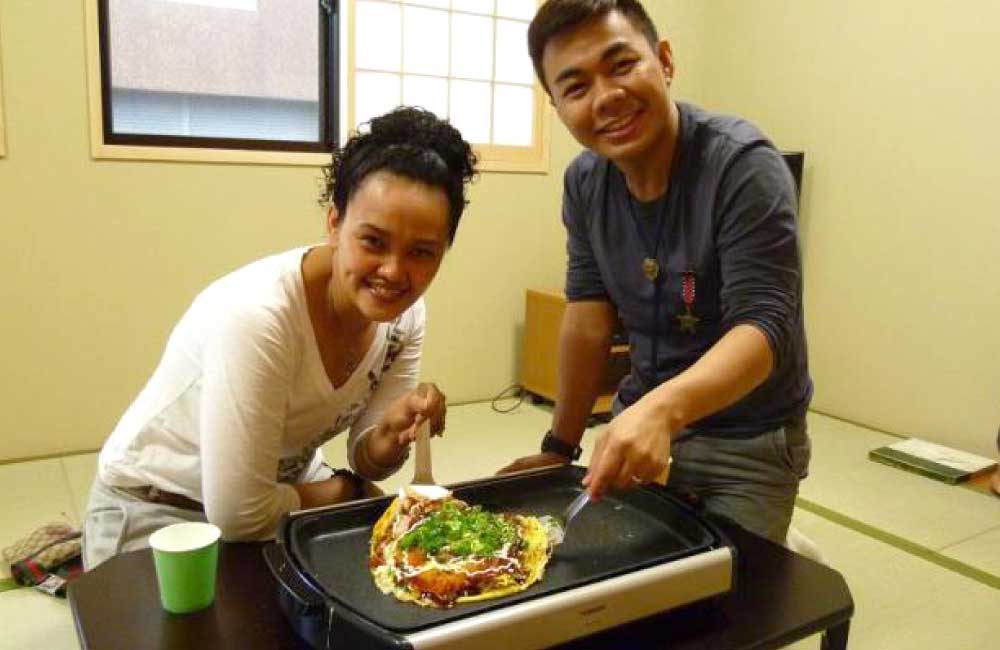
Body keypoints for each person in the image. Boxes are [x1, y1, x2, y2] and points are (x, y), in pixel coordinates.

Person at [82, 107, 478, 569]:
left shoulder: (404, 317)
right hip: (162, 507)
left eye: (421, 252)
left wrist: (391, 434)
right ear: (335, 222)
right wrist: (342, 492)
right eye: (373, 241)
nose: (393, 271)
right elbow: (239, 516)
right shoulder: (260, 318)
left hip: (282, 487)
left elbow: (367, 459)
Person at [502, 0, 812, 545]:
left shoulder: (743, 166)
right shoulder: (585, 182)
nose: (606, 97)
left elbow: (764, 329)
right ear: (556, 105)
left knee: (716, 607)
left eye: (621, 65)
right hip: (639, 417)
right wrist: (559, 447)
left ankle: (784, 550)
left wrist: (663, 413)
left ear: (664, 60)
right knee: (587, 576)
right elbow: (588, 317)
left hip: (750, 437)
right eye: (575, 87)